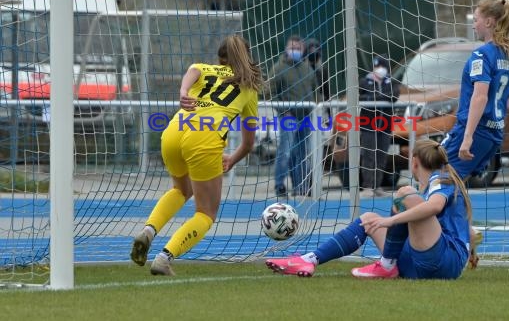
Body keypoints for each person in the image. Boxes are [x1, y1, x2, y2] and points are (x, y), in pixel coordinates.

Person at [130, 35, 263, 275]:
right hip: (204, 137)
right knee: (205, 213)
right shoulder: (249, 87)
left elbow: (192, 70)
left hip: (174, 131)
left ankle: (149, 230)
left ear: (220, 58)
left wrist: (183, 91)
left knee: (181, 189)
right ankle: (164, 257)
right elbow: (249, 143)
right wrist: (231, 159)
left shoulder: (204, 68)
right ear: (246, 56)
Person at [266, 139, 472, 279]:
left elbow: (435, 206)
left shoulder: (441, 179)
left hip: (443, 261)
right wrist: (473, 248)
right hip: (421, 264)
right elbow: (467, 230)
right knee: (369, 219)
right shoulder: (432, 186)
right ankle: (309, 260)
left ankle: (386, 265)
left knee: (404, 194)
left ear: (415, 162)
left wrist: (391, 221)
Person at [440, 0, 509, 268]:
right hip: (494, 134)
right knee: (453, 183)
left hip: (474, 130)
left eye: (475, 19)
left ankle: (461, 237)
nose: (473, 23)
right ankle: (465, 236)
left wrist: (468, 135)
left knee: (437, 179)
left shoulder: (482, 55)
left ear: (490, 22)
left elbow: (480, 97)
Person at [270, 35, 322, 197]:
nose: (295, 51)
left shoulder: (307, 69)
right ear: (286, 49)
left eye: (298, 49)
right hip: (288, 117)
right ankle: (279, 184)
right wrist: (283, 111)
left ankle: (301, 186)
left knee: (301, 153)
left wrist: (317, 107)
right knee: (285, 151)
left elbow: (316, 91)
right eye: (293, 48)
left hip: (306, 117)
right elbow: (270, 93)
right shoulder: (278, 68)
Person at [358, 54, 400, 196]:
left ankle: (377, 185)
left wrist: (374, 96)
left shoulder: (391, 81)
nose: (379, 69)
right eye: (377, 66)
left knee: (381, 155)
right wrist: (378, 97)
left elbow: (394, 96)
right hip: (368, 123)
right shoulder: (364, 81)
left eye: (382, 66)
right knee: (369, 155)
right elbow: (361, 97)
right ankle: (368, 186)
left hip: (385, 123)